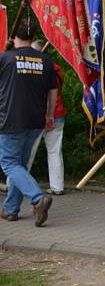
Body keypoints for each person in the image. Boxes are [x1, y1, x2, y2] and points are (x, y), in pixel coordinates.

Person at [0, 20, 56, 226]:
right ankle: (11, 209)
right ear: (32, 38)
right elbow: (53, 92)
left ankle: (37, 198)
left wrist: (6, 52)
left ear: (15, 37)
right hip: (36, 120)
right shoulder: (45, 61)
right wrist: (50, 116)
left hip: (10, 120)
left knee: (9, 164)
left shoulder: (5, 58)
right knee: (19, 165)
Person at [26, 40, 67, 195]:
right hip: (57, 114)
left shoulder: (36, 70)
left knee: (27, 152)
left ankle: (17, 186)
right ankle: (58, 186)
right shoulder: (55, 69)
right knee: (55, 151)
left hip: (39, 116)